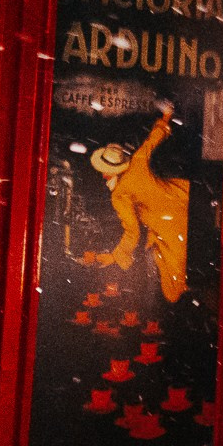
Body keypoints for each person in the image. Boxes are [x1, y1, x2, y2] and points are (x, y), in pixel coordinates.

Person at [80, 104, 192, 303]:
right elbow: (153, 138)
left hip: (169, 226)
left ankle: (183, 302)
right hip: (183, 197)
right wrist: (166, 117)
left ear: (108, 173)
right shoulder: (138, 161)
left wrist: (115, 256)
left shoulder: (120, 195)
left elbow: (132, 231)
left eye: (103, 172)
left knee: (173, 287)